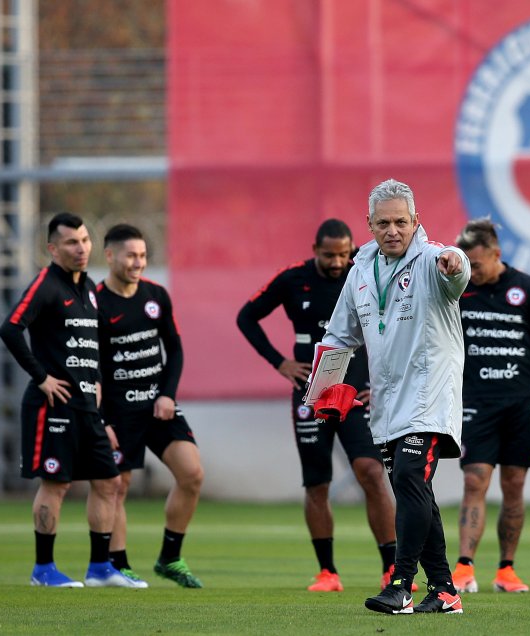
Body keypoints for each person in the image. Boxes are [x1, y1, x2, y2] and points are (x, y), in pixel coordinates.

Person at [322, 178, 470, 615]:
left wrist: (455, 263)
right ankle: (444, 591)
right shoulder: (360, 272)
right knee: (414, 490)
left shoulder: (432, 260)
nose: (393, 231)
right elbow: (338, 336)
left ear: (416, 221)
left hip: (429, 398)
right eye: (384, 223)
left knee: (408, 479)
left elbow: (457, 271)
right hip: (387, 404)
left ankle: (401, 584)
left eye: (401, 222)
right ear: (369, 224)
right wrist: (321, 391)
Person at [236, 218, 399, 592]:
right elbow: (246, 317)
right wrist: (279, 362)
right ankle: (328, 572)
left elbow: (394, 326)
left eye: (344, 254)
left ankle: (391, 568)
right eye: (329, 255)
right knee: (316, 482)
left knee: (371, 472)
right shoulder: (293, 278)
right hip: (312, 394)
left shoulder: (368, 271)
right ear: (315, 251)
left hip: (356, 392)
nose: (338, 262)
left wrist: (381, 380)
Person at [0, 212, 142, 588]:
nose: (81, 248)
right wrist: (41, 377)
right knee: (56, 484)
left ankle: (100, 569)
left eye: (85, 240)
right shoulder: (46, 284)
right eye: (71, 242)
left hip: (88, 408)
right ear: (53, 248)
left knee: (109, 481)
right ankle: (43, 569)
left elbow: (92, 347)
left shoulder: (90, 288)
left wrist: (99, 394)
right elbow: (10, 328)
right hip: (53, 406)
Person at [450, 218, 530, 594]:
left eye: (477, 265)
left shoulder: (526, 288)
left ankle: (506, 570)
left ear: (496, 254)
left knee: (514, 484)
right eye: (466, 265)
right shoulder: (458, 290)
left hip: (521, 403)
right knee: (474, 479)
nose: (471, 272)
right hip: (476, 401)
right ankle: (463, 567)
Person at [95, 224, 205, 588]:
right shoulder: (95, 303)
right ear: (110, 256)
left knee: (191, 474)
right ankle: (118, 564)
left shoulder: (156, 295)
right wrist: (101, 419)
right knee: (118, 486)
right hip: (118, 411)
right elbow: (91, 367)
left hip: (157, 405)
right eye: (130, 255)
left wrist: (167, 394)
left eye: (142, 256)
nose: (138, 262)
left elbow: (174, 348)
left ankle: (170, 558)